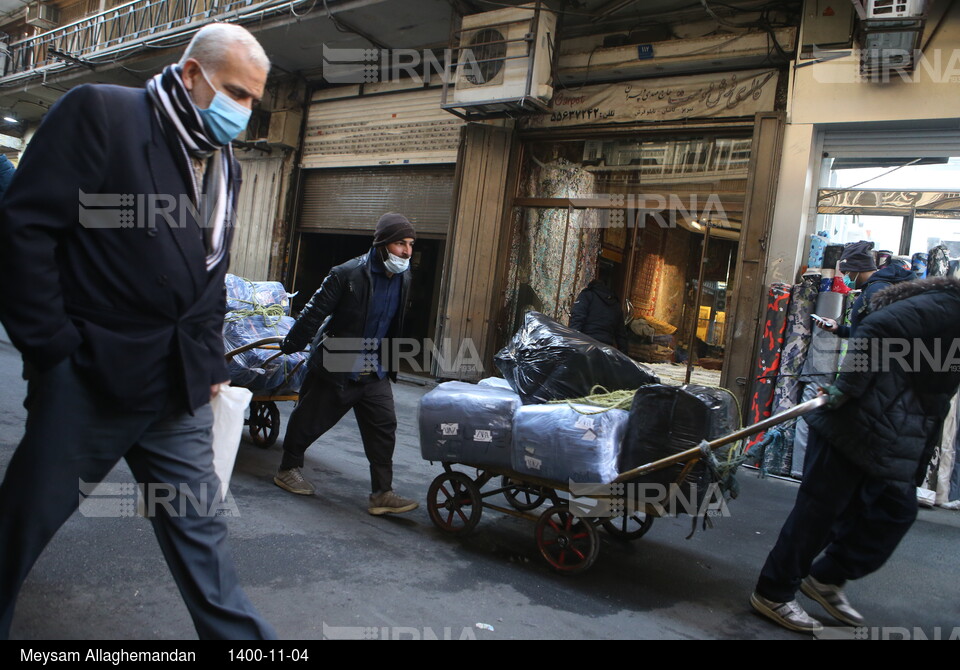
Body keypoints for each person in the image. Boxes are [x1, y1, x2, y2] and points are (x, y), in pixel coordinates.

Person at [0, 23, 275, 639]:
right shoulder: (102, 113)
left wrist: (211, 367)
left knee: (205, 549)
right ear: (191, 76)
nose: (245, 110)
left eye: (254, 99)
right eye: (236, 91)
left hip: (178, 389)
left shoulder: (224, 165)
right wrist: (54, 352)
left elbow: (208, 278)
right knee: (19, 529)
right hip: (90, 380)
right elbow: (24, 231)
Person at [751, 276, 960, 633]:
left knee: (895, 511)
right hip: (856, 422)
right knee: (821, 515)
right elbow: (878, 327)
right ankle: (773, 590)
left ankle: (826, 577)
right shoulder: (949, 308)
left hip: (895, 432)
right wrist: (847, 388)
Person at [274, 213, 420, 516]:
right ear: (382, 244)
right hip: (339, 358)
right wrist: (293, 344)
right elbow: (315, 311)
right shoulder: (348, 273)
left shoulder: (404, 277)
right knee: (311, 418)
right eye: (400, 244)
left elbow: (395, 322)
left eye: (410, 244)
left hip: (376, 364)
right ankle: (288, 469)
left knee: (384, 427)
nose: (407, 251)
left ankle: (382, 493)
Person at [817, 240, 916, 338]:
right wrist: (838, 329)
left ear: (856, 269)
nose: (845, 278)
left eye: (846, 272)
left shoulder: (876, 291)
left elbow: (884, 335)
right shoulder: (871, 289)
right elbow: (865, 332)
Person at [568, 261, 628, 350]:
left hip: (586, 345)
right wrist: (624, 357)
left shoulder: (587, 295)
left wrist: (571, 344)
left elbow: (577, 319)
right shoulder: (615, 303)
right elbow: (621, 335)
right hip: (605, 349)